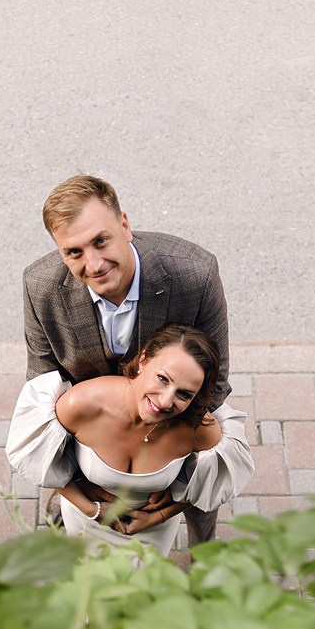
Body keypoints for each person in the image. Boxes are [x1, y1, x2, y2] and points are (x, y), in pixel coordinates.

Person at [22, 174, 230, 544]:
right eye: (74, 252)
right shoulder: (40, 287)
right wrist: (74, 486)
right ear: (60, 251)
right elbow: (41, 386)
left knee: (203, 490)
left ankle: (205, 560)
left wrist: (171, 494)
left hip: (174, 421)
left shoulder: (195, 274)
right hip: (91, 430)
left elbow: (216, 380)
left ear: (124, 225)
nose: (94, 264)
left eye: (101, 241)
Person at [6, 325, 253, 556]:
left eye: (184, 394)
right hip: (86, 521)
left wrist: (158, 516)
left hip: (152, 533)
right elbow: (42, 464)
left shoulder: (199, 430)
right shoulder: (81, 404)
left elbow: (206, 488)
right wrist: (92, 510)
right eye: (163, 379)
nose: (166, 401)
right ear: (144, 359)